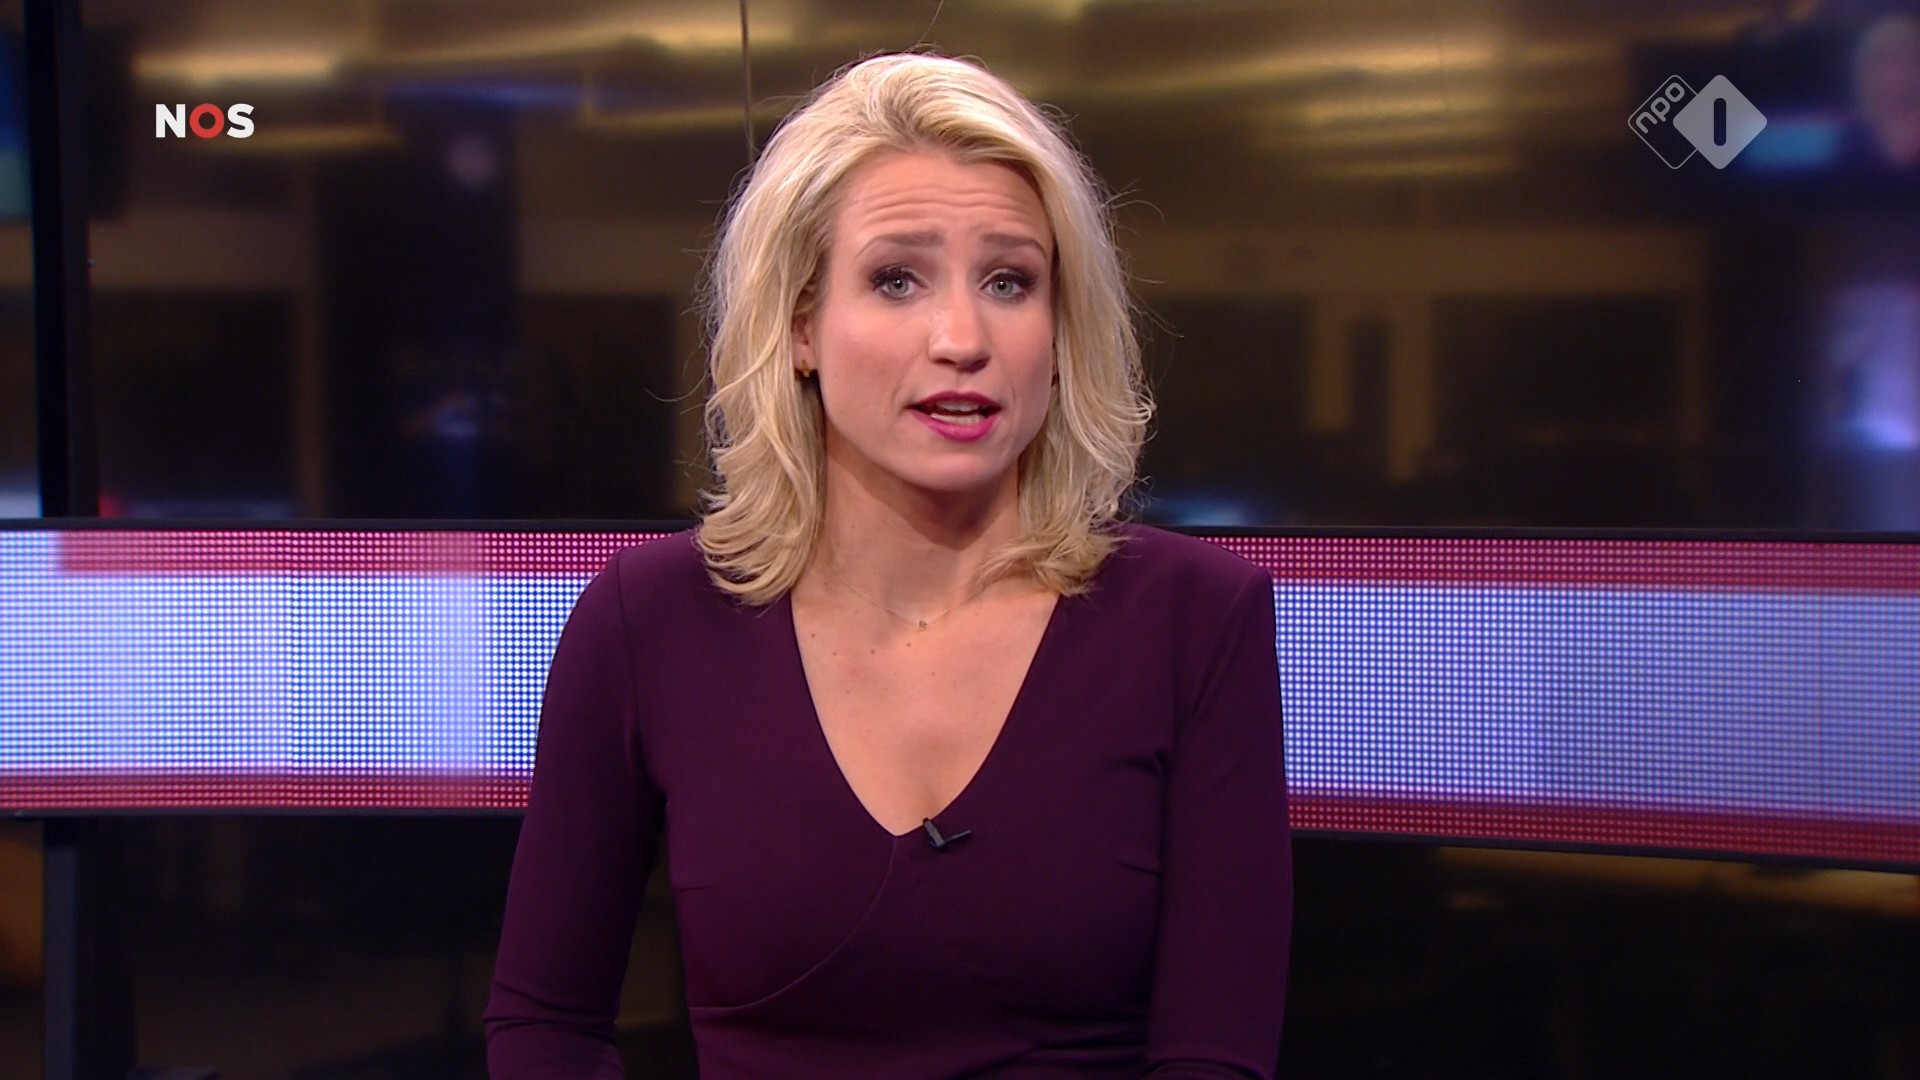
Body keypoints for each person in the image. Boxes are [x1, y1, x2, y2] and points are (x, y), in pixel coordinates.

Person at [484, 52, 1291, 1078]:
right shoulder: (647, 622)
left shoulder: (1197, 620)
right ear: (800, 325)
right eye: (897, 279)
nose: (962, 337)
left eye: (1010, 282)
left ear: (1059, 330)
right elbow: (546, 1023)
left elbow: (1215, 1057)